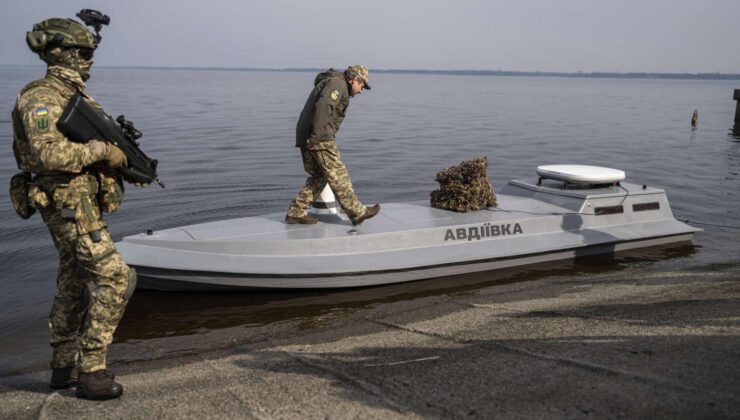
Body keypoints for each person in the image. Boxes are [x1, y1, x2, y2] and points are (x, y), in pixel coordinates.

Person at [11, 12, 142, 400]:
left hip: (80, 202)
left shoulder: (73, 97)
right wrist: (104, 150)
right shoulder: (40, 97)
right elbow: (48, 154)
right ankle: (92, 371)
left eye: (89, 52)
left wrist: (122, 163)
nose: (89, 60)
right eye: (82, 52)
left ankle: (62, 367)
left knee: (73, 282)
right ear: (60, 53)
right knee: (116, 277)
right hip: (66, 205)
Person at [286, 65, 381, 225]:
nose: (362, 90)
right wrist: (317, 138)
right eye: (362, 85)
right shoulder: (338, 84)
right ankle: (357, 212)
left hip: (307, 135)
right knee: (338, 174)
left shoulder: (335, 83)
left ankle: (296, 211)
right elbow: (323, 107)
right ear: (355, 79)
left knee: (319, 176)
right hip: (319, 136)